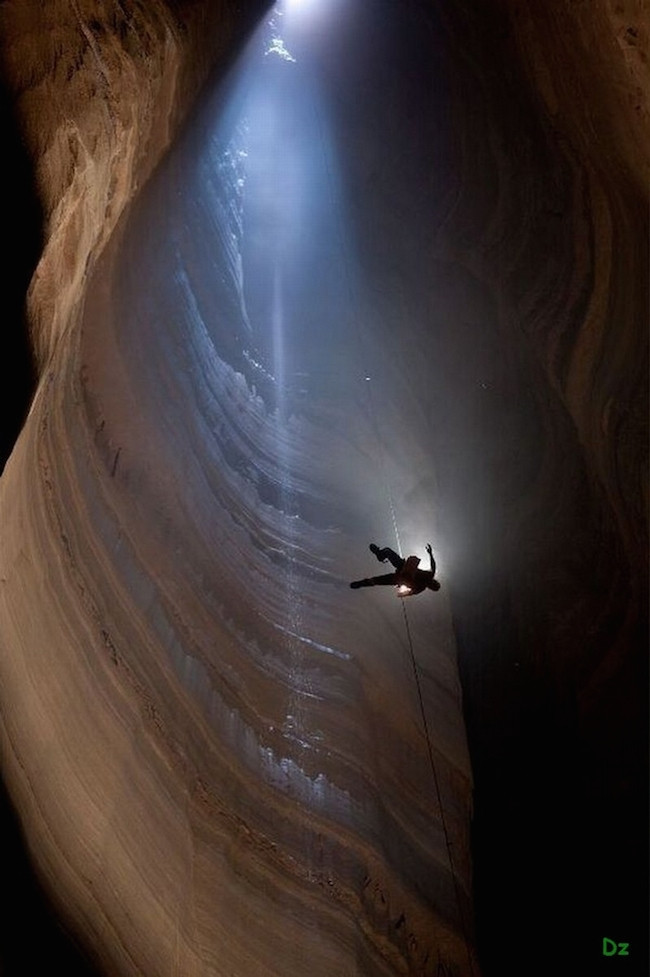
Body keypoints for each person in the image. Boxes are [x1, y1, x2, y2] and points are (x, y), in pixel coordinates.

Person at [350, 543, 440, 596]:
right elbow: (410, 593)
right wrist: (402, 594)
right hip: (401, 574)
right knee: (379, 580)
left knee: (387, 553)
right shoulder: (422, 587)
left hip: (401, 572)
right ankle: (362, 583)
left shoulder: (427, 579)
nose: (431, 583)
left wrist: (430, 553)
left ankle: (380, 555)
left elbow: (433, 565)